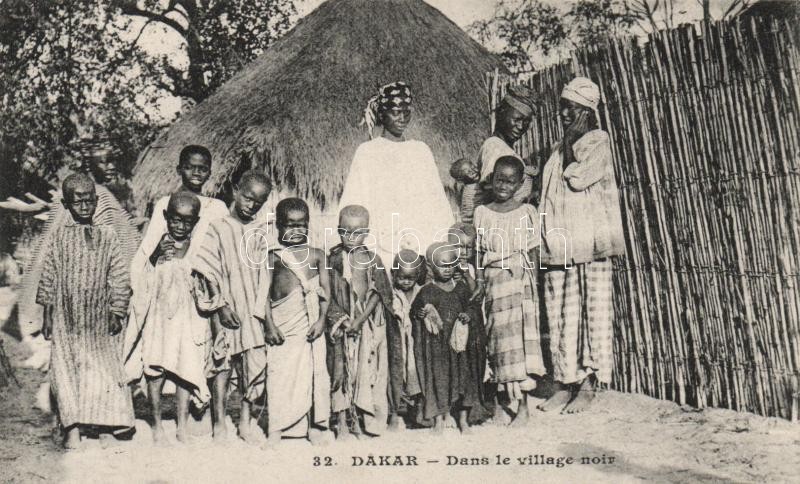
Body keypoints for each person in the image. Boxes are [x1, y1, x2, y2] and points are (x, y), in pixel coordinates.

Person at [538, 77, 624, 414]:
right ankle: (564, 382)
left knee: (593, 313)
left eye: (570, 108)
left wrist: (573, 139)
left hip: (589, 246)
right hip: (561, 246)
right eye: (562, 106)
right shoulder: (560, 148)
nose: (562, 113)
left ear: (586, 112)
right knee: (560, 314)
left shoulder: (597, 141)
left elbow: (578, 178)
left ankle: (588, 385)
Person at [35, 174, 133, 449]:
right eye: (78, 200)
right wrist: (47, 316)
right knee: (66, 371)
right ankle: (72, 427)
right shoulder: (59, 237)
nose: (85, 204)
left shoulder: (108, 234)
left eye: (90, 199)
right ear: (66, 204)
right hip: (66, 319)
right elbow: (49, 276)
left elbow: (119, 275)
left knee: (101, 370)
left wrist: (117, 310)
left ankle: (104, 425)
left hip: (99, 319)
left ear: (97, 200)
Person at [126, 145, 228, 380]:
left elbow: (220, 248)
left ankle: (194, 404)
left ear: (209, 172)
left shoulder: (217, 207)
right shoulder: (165, 204)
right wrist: (155, 257)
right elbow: (149, 248)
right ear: (179, 169)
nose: (196, 174)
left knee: (197, 345)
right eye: (190, 168)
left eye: (202, 169)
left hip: (201, 287)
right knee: (164, 346)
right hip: (170, 285)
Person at [338, 81, 454, 270]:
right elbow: (355, 200)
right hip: (382, 246)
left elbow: (437, 203)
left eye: (406, 112)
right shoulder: (367, 152)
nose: (401, 118)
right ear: (382, 114)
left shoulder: (420, 151)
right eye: (395, 112)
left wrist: (442, 244)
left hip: (419, 245)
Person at [192, 171, 272, 443]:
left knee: (252, 365)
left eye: (259, 203)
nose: (252, 205)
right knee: (223, 364)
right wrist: (221, 306)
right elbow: (207, 269)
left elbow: (265, 274)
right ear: (236, 191)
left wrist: (263, 313)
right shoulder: (218, 227)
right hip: (226, 307)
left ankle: (246, 422)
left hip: (252, 309)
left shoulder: (261, 232)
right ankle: (219, 424)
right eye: (248, 198)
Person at [128, 192, 210, 444]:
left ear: (195, 222)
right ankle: (156, 427)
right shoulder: (157, 247)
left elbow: (205, 280)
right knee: (156, 370)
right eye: (175, 220)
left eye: (187, 222)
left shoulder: (196, 248)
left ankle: (182, 426)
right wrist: (154, 257)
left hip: (187, 321)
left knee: (186, 370)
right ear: (166, 217)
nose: (181, 226)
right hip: (159, 321)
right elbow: (141, 282)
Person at [254, 198, 331, 445]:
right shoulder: (273, 257)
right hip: (282, 329)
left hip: (308, 327)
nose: (296, 230)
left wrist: (321, 321)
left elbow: (326, 294)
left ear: (308, 224)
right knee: (279, 377)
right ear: (278, 226)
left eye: (302, 224)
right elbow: (263, 295)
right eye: (290, 225)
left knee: (310, 374)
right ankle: (275, 429)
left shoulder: (318, 255)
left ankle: (312, 428)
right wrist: (269, 324)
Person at [474, 156, 544, 427]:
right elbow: (478, 251)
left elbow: (533, 249)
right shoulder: (482, 212)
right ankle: (502, 401)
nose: (503, 185)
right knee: (497, 342)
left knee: (521, 343)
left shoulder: (527, 213)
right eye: (499, 179)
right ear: (491, 180)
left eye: (510, 181)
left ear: (519, 184)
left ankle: (524, 407)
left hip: (518, 284)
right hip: (493, 284)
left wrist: (532, 281)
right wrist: (479, 280)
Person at [327, 205, 393, 439]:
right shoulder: (332, 259)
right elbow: (327, 293)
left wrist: (360, 321)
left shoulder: (373, 260)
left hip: (365, 326)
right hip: (340, 324)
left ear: (366, 232)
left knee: (363, 373)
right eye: (345, 231)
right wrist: (343, 321)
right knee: (341, 370)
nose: (350, 237)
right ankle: (342, 422)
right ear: (338, 230)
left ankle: (360, 420)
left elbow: (380, 294)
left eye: (357, 232)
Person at [411, 242, 484, 435]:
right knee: (439, 382)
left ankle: (463, 420)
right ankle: (439, 420)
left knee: (464, 381)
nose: (448, 269)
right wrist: (419, 314)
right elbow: (415, 313)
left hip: (459, 347)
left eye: (452, 264)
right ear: (431, 267)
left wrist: (467, 315)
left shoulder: (460, 288)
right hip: (437, 349)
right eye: (443, 265)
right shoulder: (426, 291)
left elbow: (472, 307)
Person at [461, 85, 538, 224]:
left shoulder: (501, 147)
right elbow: (494, 194)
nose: (521, 127)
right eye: (517, 119)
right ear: (501, 113)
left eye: (526, 122)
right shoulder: (495, 147)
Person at [387, 249, 425, 430]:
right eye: (401, 277)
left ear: (418, 276)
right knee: (397, 374)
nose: (406, 281)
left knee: (416, 373)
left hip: (416, 341)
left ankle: (417, 411)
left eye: (411, 278)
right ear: (394, 273)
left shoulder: (421, 292)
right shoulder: (391, 294)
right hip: (397, 341)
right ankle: (395, 413)